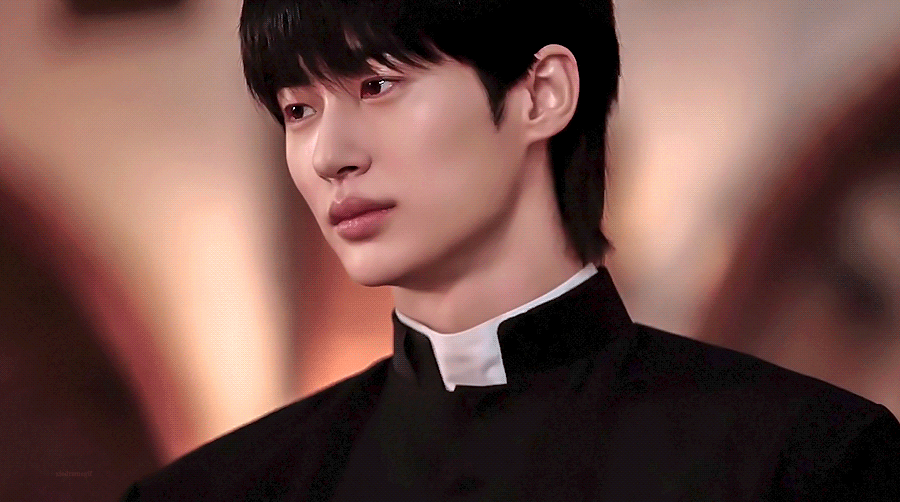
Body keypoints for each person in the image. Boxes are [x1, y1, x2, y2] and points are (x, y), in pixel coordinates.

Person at [123, 0, 900, 499]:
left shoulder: (806, 461)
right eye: (298, 110)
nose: (329, 155)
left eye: (377, 85)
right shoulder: (214, 492)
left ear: (541, 93)